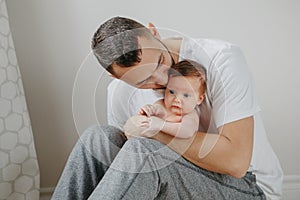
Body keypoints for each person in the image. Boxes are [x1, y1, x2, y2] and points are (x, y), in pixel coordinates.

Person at [52, 16, 283, 200]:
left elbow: (236, 162)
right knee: (98, 137)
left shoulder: (221, 59)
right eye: (144, 81)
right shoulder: (118, 92)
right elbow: (124, 182)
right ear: (116, 77)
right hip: (177, 180)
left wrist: (154, 130)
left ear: (153, 31)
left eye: (161, 62)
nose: (162, 80)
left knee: (142, 150)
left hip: (248, 188)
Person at [125, 60, 206, 139]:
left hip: (171, 150)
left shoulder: (189, 115)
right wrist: (148, 110)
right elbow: (156, 109)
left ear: (199, 99)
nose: (177, 99)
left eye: (186, 95)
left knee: (135, 144)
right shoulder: (162, 104)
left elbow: (187, 132)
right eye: (172, 91)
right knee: (113, 133)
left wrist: (161, 125)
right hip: (148, 142)